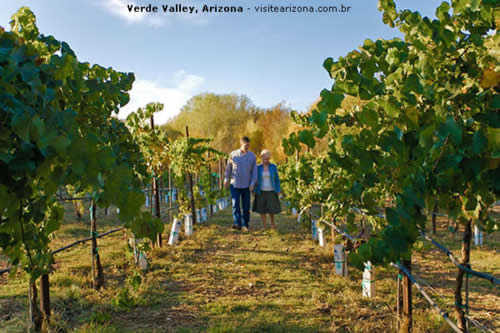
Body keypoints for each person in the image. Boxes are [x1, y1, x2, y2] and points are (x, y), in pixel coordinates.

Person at [224, 136, 257, 232]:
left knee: (246, 207)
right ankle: (237, 223)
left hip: (246, 186)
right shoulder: (233, 154)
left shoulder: (252, 156)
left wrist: (252, 183)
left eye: (248, 145)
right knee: (235, 205)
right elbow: (228, 169)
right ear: (241, 144)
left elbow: (254, 172)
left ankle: (245, 224)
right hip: (234, 184)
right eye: (245, 145)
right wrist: (226, 179)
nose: (247, 147)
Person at [252, 149, 281, 229]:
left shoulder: (273, 167)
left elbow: (277, 179)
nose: (266, 160)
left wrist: (278, 190)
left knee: (272, 209)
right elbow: (255, 179)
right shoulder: (258, 168)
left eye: (267, 159)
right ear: (261, 158)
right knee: (262, 210)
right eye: (264, 159)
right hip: (261, 191)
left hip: (271, 190)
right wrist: (254, 190)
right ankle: (264, 226)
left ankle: (272, 224)